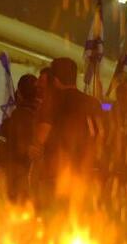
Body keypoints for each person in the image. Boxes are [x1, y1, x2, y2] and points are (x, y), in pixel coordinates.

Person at [34, 57, 103, 189]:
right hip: (85, 175)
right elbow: (100, 135)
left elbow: (41, 137)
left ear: (54, 79)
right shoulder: (93, 103)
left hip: (55, 175)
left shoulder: (51, 103)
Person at [0, 74, 40, 202]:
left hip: (15, 183)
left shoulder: (10, 121)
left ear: (19, 94)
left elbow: (2, 154)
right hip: (38, 183)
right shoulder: (44, 121)